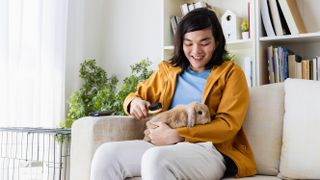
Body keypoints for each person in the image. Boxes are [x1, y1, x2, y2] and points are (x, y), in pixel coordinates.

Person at [90, 8, 256, 180]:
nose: (196, 50)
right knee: (106, 155)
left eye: (204, 42)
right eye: (189, 43)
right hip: (162, 145)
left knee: (155, 159)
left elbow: (228, 125)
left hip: (209, 149)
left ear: (217, 41)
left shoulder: (232, 73)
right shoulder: (168, 71)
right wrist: (134, 103)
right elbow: (135, 95)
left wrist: (178, 135)